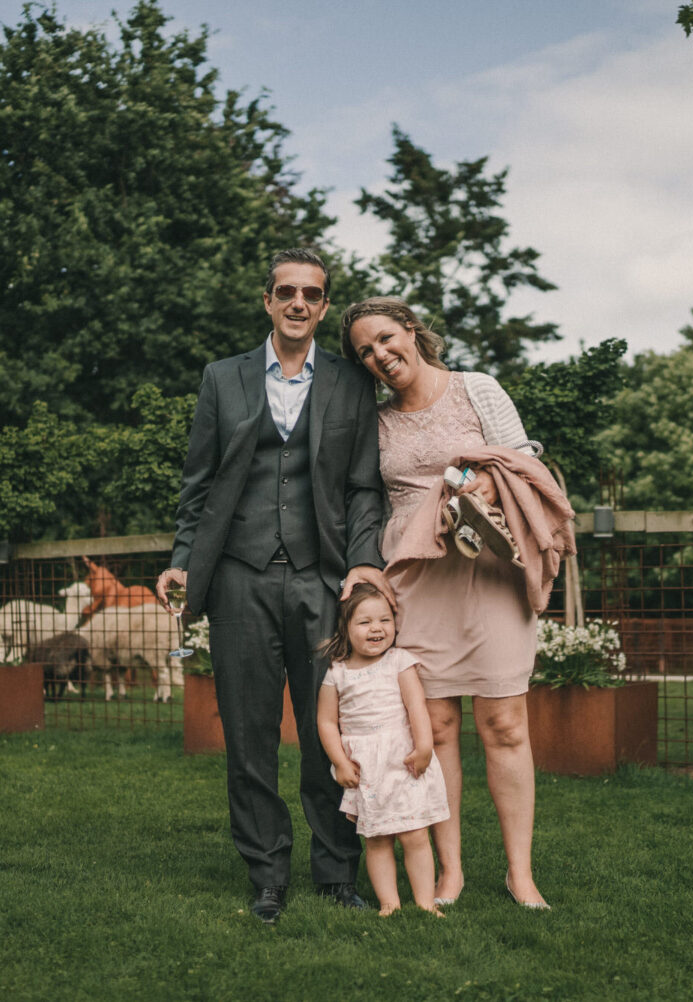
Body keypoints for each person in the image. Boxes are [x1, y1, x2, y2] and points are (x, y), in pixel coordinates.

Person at [156, 249, 394, 926]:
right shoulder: (222, 379)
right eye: (285, 292)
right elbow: (197, 484)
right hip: (238, 576)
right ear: (267, 301)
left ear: (323, 307)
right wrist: (182, 557)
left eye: (311, 294)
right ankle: (267, 872)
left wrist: (363, 562)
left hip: (322, 581)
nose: (297, 303)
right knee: (248, 733)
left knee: (332, 735)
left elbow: (363, 488)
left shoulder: (351, 382)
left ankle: (335, 870)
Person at [341, 296, 575, 911]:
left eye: (387, 338)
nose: (380, 355)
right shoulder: (377, 420)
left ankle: (520, 874)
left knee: (504, 724)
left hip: (488, 567)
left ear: (413, 331)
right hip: (417, 575)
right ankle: (451, 871)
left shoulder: (477, 388)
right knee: (436, 725)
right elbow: (364, 498)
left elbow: (525, 460)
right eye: (366, 351)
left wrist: (479, 487)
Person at [317, 582, 450, 916]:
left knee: (415, 834)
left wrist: (424, 747)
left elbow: (416, 707)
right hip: (367, 767)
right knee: (377, 838)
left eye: (385, 620)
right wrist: (340, 762)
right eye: (364, 622)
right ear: (346, 628)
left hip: (402, 760)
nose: (376, 628)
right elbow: (327, 723)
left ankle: (424, 901)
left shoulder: (399, 661)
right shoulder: (337, 672)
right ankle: (389, 902)